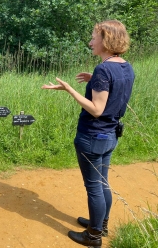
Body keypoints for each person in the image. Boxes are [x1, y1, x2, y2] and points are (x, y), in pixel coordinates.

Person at [41, 20, 135, 247]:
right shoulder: (125, 66)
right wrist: (95, 81)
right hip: (110, 135)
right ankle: (100, 224)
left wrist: (69, 89)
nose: (91, 42)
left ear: (106, 40)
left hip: (92, 136)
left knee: (94, 187)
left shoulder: (103, 69)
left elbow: (96, 109)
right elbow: (116, 89)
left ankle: (93, 236)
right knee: (103, 183)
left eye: (94, 37)